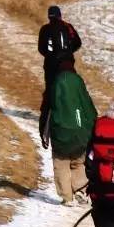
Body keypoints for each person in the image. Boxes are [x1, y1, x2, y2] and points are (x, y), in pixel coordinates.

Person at [40, 54, 97, 205]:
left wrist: (43, 133)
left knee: (61, 164)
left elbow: (46, 110)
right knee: (79, 162)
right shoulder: (78, 81)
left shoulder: (54, 83)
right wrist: (94, 125)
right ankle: (79, 189)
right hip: (80, 132)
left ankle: (67, 197)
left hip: (60, 133)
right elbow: (88, 106)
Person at [38, 5, 82, 117]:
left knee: (50, 88)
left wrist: (50, 56)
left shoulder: (44, 29)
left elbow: (41, 48)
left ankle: (47, 114)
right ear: (60, 15)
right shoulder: (68, 26)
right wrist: (68, 52)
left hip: (51, 64)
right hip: (67, 63)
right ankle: (73, 113)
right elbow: (78, 43)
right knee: (69, 87)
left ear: (49, 16)